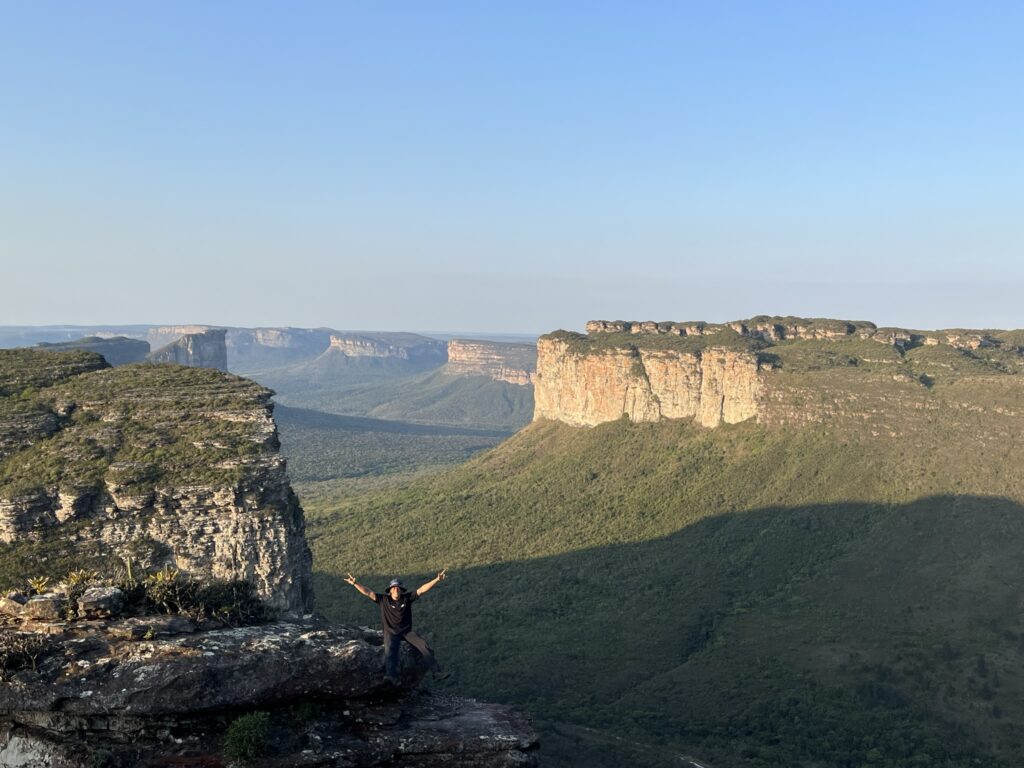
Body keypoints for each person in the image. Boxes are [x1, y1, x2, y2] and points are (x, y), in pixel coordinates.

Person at [345, 569, 449, 684]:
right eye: (393, 588)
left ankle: (437, 672)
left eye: (398, 588)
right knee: (390, 650)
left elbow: (422, 590)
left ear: (401, 590)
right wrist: (355, 583)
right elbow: (368, 592)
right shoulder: (383, 599)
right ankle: (391, 677)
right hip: (391, 632)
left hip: (407, 632)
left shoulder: (407, 598)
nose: (396, 590)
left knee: (423, 646)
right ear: (390, 590)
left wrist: (437, 579)